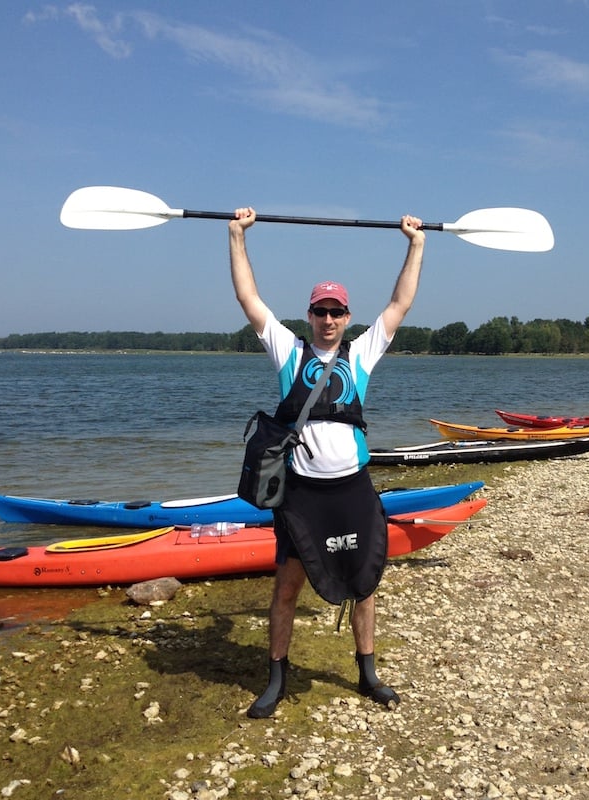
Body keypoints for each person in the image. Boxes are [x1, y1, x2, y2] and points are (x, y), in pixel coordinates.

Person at [229, 207, 425, 719]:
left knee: (365, 582)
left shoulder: (361, 354)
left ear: (347, 317)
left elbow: (401, 302)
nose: (330, 319)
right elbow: (249, 300)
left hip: (352, 488)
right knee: (288, 586)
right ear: (310, 315)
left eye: (338, 311)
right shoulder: (288, 352)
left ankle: (368, 673)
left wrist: (415, 245)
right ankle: (276, 678)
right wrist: (236, 236)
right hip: (303, 494)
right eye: (322, 311)